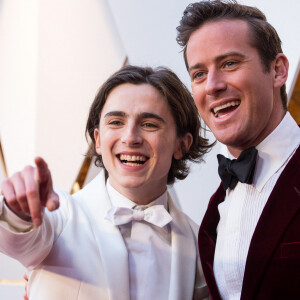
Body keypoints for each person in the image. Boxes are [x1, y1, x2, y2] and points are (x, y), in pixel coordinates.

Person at [0, 65, 211, 299]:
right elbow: (16, 239)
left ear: (181, 144)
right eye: (116, 122)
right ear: (98, 140)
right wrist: (17, 212)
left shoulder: (201, 245)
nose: (130, 137)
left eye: (149, 124)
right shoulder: (60, 215)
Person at [177, 1, 300, 299]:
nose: (212, 86)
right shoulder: (215, 209)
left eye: (229, 63)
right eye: (199, 74)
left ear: (278, 70)